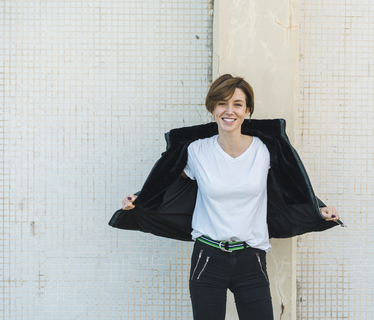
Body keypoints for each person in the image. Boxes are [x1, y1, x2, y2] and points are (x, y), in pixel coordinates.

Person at [110, 74, 341, 320]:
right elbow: (165, 182)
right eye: (222, 103)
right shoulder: (196, 151)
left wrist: (318, 209)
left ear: (248, 110)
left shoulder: (264, 150)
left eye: (237, 104)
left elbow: (290, 186)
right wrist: (138, 199)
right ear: (212, 108)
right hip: (207, 257)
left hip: (251, 256)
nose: (229, 111)